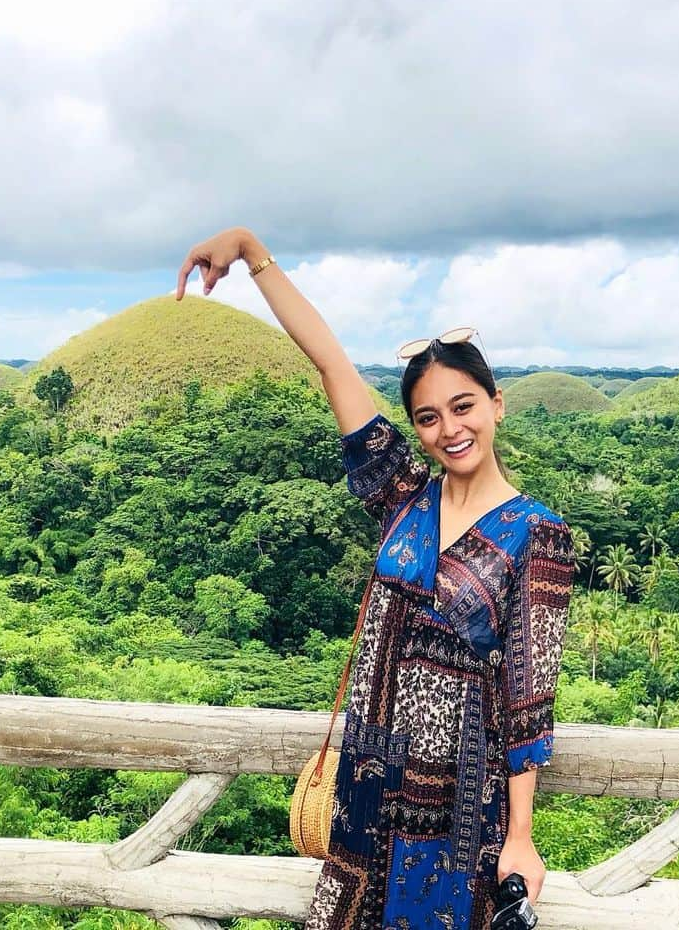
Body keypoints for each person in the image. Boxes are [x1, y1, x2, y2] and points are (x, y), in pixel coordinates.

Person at [176, 227, 576, 930]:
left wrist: (520, 836)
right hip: (366, 783)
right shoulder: (404, 495)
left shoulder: (536, 533)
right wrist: (250, 251)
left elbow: (528, 702)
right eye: (427, 417)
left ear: (496, 404)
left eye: (462, 407)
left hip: (455, 810)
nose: (448, 429)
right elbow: (330, 362)